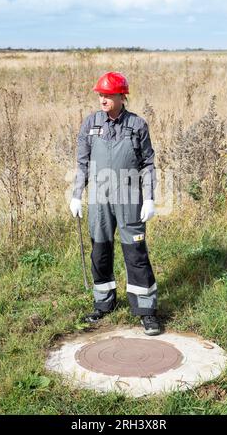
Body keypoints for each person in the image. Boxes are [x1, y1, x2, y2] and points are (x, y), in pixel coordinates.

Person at [70, 72, 160, 335]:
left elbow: (148, 164)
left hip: (130, 197)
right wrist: (77, 194)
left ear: (122, 96)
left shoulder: (137, 125)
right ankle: (103, 304)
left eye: (108, 95)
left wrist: (150, 198)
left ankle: (146, 311)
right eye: (100, 94)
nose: (103, 99)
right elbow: (82, 163)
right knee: (100, 250)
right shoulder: (90, 124)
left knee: (135, 252)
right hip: (99, 199)